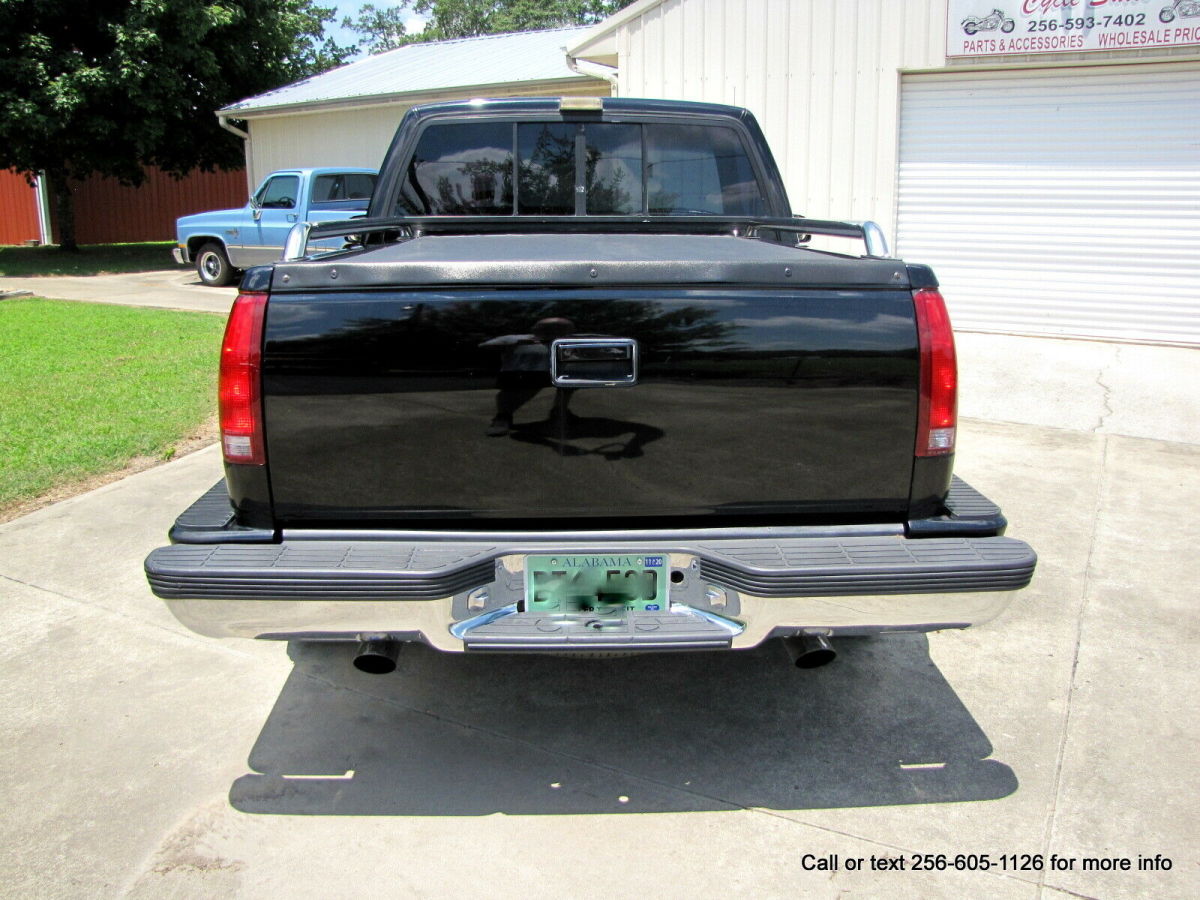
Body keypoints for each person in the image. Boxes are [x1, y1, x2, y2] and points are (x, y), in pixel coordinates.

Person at [479, 317, 577, 436]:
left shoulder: (566, 341)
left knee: (569, 385)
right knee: (512, 395)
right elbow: (484, 346)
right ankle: (502, 417)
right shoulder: (516, 338)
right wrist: (516, 344)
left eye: (564, 329)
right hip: (522, 372)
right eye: (552, 328)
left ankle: (559, 411)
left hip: (554, 372)